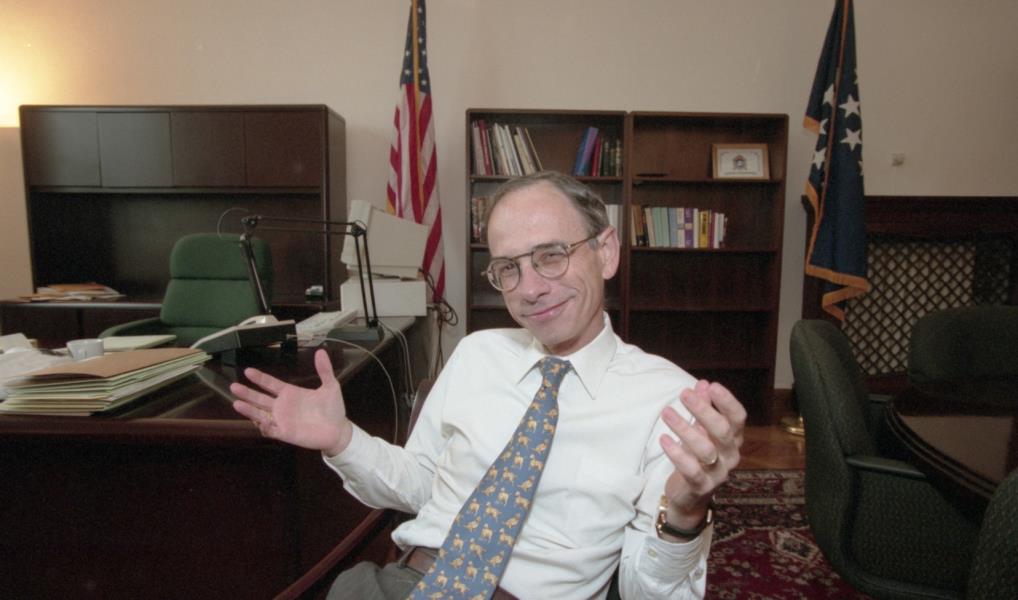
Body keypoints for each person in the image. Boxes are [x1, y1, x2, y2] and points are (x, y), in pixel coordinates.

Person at [230, 170, 745, 600]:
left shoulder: (671, 402)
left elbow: (647, 592)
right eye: (508, 268)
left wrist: (684, 514)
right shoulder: (477, 353)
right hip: (403, 584)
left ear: (606, 252)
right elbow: (422, 484)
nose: (531, 288)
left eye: (551, 255)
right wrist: (342, 440)